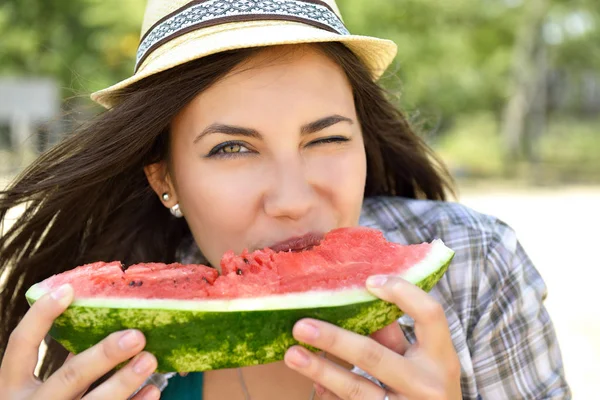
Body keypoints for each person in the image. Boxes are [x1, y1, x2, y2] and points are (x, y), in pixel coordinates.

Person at [0, 0, 570, 399]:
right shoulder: (100, 343)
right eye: (231, 149)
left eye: (326, 139)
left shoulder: (472, 267)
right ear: (163, 179)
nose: (293, 200)